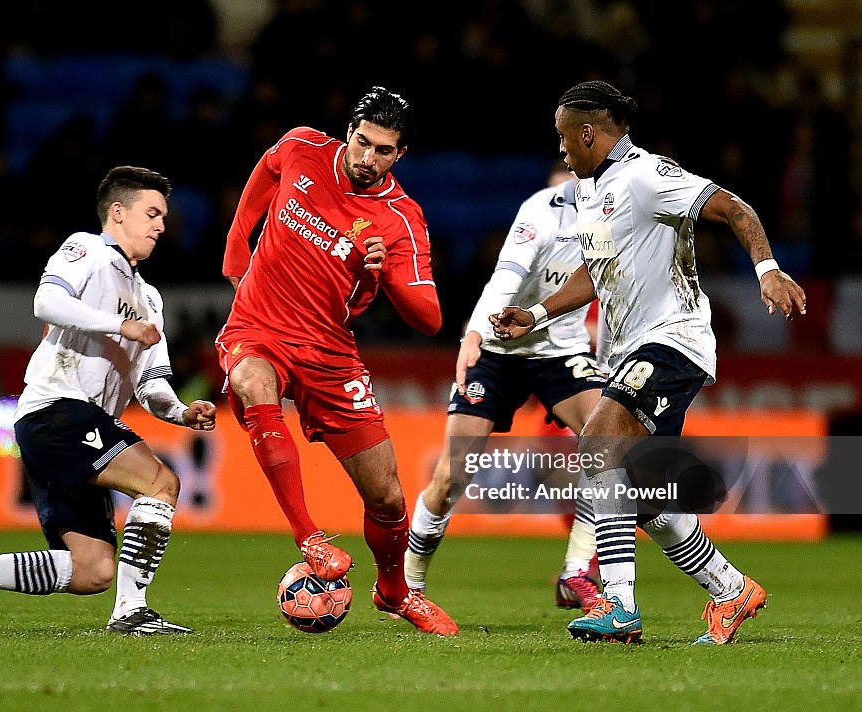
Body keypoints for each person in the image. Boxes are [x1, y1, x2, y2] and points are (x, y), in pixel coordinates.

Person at [491, 80, 807, 644]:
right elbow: (597, 271)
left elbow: (733, 207)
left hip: (672, 340)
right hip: (627, 348)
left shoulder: (645, 174)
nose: (560, 148)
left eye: (564, 136)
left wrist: (767, 270)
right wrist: (534, 314)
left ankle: (619, 605)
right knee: (646, 499)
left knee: (599, 440)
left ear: (588, 131)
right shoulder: (591, 192)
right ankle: (731, 590)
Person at [0, 166, 217, 635]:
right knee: (161, 483)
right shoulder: (87, 250)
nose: (161, 225)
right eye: (152, 213)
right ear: (117, 213)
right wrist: (119, 326)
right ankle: (132, 612)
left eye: (163, 216)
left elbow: (152, 383)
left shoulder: (151, 298)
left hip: (80, 423)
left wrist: (181, 411)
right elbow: (46, 301)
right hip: (56, 409)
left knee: (93, 570)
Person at [217, 86, 458, 635]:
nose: (366, 158)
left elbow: (429, 318)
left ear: (400, 155)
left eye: (383, 150)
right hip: (259, 325)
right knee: (251, 381)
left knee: (388, 495)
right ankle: (310, 538)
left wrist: (387, 272)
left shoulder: (400, 218)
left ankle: (394, 591)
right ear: (349, 131)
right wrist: (238, 241)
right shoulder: (303, 146)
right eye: (362, 142)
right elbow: (268, 167)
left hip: (329, 351)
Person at [404, 160, 605, 613]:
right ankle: (407, 584)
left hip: (560, 352)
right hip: (498, 348)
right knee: (453, 475)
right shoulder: (539, 213)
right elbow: (505, 278)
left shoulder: (611, 221)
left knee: (611, 445)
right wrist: (474, 335)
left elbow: (609, 292)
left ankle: (576, 573)